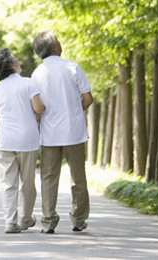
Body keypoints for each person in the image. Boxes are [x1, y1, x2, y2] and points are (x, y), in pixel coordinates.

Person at [31, 31, 93, 234]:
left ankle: (49, 222)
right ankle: (79, 220)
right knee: (78, 177)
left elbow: (36, 106)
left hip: (49, 135)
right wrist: (75, 109)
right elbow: (88, 98)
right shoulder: (72, 67)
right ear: (55, 48)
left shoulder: (37, 73)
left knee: (49, 178)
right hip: (74, 132)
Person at [0, 48, 46, 234]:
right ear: (11, 65)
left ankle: (10, 222)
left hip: (5, 141)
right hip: (26, 140)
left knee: (8, 183)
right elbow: (39, 108)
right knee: (27, 182)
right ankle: (25, 219)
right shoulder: (28, 83)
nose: (19, 60)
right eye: (16, 59)